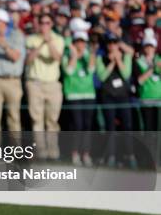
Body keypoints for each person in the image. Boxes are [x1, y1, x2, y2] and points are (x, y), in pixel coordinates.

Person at [25, 13, 65, 159]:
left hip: (53, 84)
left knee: (52, 120)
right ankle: (40, 152)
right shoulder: (31, 39)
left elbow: (57, 58)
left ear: (51, 24)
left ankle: (53, 152)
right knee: (37, 120)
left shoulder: (58, 39)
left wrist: (49, 42)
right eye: (42, 23)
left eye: (47, 23)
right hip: (35, 83)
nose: (44, 26)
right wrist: (41, 43)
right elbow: (28, 60)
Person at [96, 33, 134, 167]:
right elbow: (102, 77)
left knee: (127, 126)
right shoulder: (101, 58)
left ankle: (129, 155)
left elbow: (126, 74)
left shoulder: (126, 56)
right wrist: (112, 62)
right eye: (109, 43)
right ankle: (111, 156)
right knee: (110, 127)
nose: (112, 45)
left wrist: (118, 60)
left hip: (123, 96)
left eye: (114, 42)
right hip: (108, 96)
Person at [62, 29, 96, 166]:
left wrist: (90, 54)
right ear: (74, 43)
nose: (80, 44)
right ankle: (74, 153)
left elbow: (91, 69)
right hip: (73, 95)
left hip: (88, 94)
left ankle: (86, 154)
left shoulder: (88, 55)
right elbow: (69, 71)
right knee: (77, 125)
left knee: (87, 126)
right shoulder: (67, 55)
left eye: (82, 42)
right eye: (78, 42)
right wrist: (75, 55)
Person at [135, 31, 160, 130]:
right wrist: (152, 67)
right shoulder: (138, 61)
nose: (149, 49)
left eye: (151, 46)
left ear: (155, 48)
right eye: (147, 46)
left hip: (159, 100)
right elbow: (140, 80)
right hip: (146, 99)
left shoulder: (159, 59)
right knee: (148, 128)